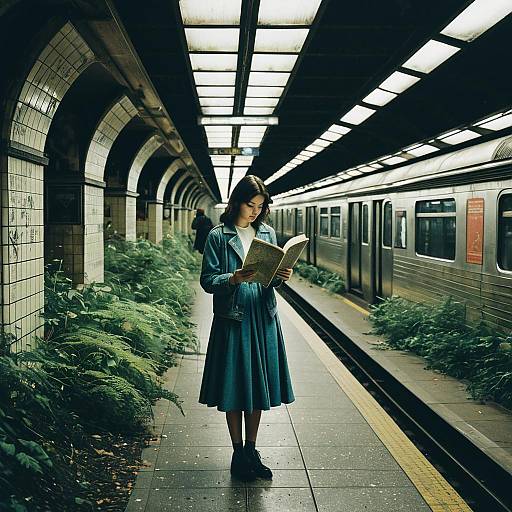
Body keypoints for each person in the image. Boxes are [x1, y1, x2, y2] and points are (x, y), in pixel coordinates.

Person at [198, 175, 295, 482]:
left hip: (262, 315)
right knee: (235, 384)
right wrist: (234, 278)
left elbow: (270, 278)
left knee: (257, 385)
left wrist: (282, 275)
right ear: (237, 202)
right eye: (249, 204)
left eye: (260, 206)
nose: (254, 212)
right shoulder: (218, 235)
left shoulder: (266, 231)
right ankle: (237, 452)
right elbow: (207, 281)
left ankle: (251, 450)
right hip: (233, 316)